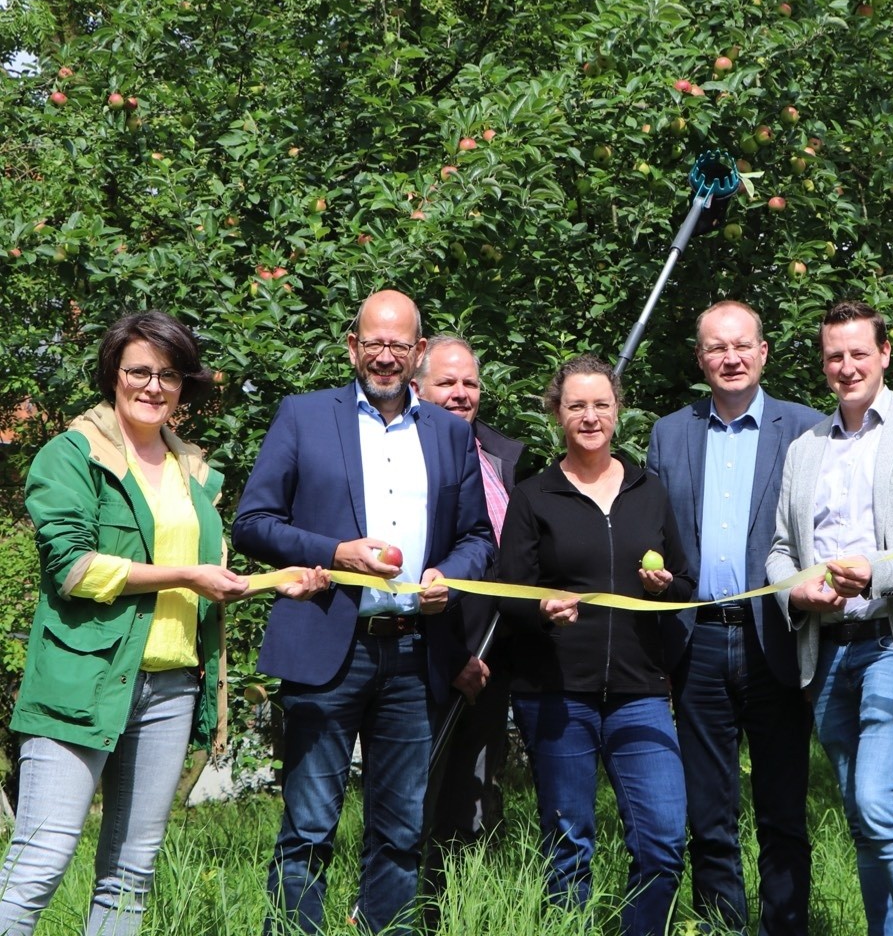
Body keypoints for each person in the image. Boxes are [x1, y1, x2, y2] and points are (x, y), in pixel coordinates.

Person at [0, 311, 326, 936]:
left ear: (184, 384)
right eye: (139, 371)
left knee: (130, 876)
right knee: (38, 864)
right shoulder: (70, 456)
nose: (153, 386)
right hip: (82, 682)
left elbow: (206, 580)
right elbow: (74, 569)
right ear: (112, 375)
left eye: (168, 375)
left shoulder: (191, 472)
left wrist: (276, 583)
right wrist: (187, 577)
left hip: (172, 689)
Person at [232, 290, 495, 936]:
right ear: (352, 345)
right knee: (309, 830)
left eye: (398, 345)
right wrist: (335, 552)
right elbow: (252, 524)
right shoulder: (302, 417)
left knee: (401, 833)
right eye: (372, 343)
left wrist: (449, 579)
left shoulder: (450, 434)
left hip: (413, 654)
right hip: (327, 648)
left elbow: (478, 539)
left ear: (418, 352)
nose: (384, 356)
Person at [766, 300, 893, 936]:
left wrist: (875, 573)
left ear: (884, 353)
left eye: (859, 352)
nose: (847, 366)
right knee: (864, 821)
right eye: (835, 356)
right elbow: (780, 550)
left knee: (877, 804)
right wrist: (795, 594)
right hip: (827, 650)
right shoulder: (805, 450)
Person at [496, 354, 695, 936]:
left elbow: (685, 581)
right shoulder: (534, 496)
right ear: (557, 413)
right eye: (576, 405)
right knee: (568, 846)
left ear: (619, 411)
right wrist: (541, 609)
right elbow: (509, 594)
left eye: (600, 405)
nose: (590, 417)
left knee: (662, 840)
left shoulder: (648, 490)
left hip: (639, 691)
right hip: (556, 694)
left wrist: (664, 587)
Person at [647, 301, 823, 935]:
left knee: (782, 810)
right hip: (695, 645)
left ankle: (786, 926)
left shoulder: (807, 429)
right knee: (709, 813)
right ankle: (723, 926)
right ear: (701, 359)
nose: (731, 357)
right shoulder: (669, 434)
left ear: (764, 351)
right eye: (717, 348)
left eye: (742, 345)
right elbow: (658, 534)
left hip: (774, 639)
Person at [414, 335, 526, 853]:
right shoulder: (402, 453)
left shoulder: (504, 456)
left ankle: (468, 901)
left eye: (470, 383)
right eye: (446, 382)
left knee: (478, 790)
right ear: (416, 386)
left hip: (495, 649)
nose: (460, 393)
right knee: (418, 791)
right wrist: (452, 655)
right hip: (427, 650)